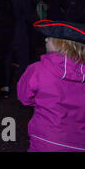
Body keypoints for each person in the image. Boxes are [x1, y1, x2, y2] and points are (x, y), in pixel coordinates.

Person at [17, 20, 85, 152]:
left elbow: (24, 97)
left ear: (62, 45)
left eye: (50, 37)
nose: (46, 39)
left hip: (45, 141)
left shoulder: (38, 69)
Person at [1, 0, 35, 96]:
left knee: (6, 61)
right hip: (20, 33)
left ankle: (5, 88)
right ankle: (23, 90)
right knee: (23, 62)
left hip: (6, 34)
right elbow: (29, 17)